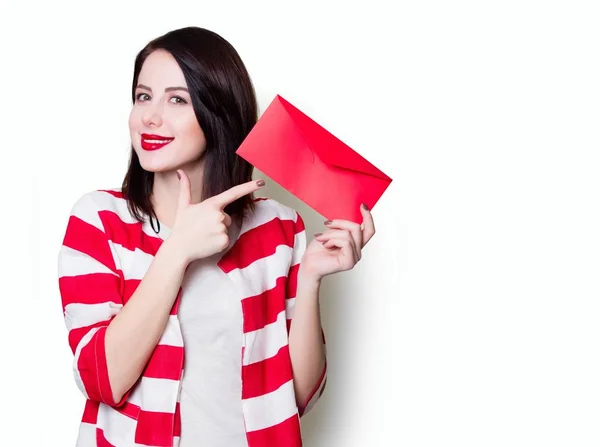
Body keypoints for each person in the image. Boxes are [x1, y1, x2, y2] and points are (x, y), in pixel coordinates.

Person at [57, 26, 376, 447]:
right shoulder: (99, 219)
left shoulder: (280, 229)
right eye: (142, 96)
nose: (150, 116)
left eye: (177, 99)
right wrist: (177, 252)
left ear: (217, 113)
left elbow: (296, 398)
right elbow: (102, 381)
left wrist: (312, 277)